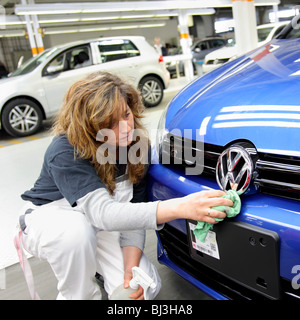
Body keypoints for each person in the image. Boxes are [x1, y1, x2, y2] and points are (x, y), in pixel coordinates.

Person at [17, 71, 233, 300]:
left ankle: (103, 268)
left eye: (126, 114)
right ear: (87, 127)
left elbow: (133, 212)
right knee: (75, 235)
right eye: (109, 124)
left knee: (141, 288)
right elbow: (103, 213)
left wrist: (130, 271)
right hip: (54, 219)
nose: (125, 128)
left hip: (101, 226)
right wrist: (180, 207)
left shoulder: (135, 146)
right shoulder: (64, 151)